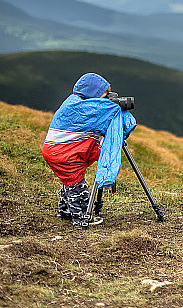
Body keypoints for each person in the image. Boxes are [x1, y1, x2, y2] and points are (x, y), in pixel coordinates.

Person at [42, 73, 136, 228]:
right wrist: (116, 107)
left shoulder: (73, 100)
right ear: (93, 93)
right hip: (65, 153)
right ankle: (81, 218)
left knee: (70, 183)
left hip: (54, 150)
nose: (107, 98)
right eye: (105, 94)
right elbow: (100, 111)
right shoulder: (84, 107)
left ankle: (64, 212)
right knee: (79, 188)